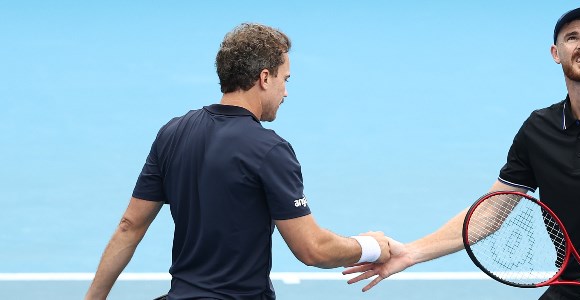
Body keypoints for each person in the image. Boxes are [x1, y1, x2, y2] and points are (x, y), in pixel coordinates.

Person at [344, 7, 580, 300]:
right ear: (557, 54)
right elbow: (490, 211)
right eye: (572, 38)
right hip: (569, 288)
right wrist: (410, 252)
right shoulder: (538, 129)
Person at [85, 23, 397, 300]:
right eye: (284, 79)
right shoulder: (269, 150)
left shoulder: (173, 132)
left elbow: (129, 226)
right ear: (264, 78)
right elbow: (312, 249)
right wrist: (370, 246)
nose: (285, 92)